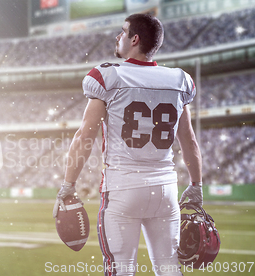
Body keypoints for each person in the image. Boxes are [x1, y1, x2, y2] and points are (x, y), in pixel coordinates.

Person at [52, 13, 203, 276]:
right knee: (168, 268)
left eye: (122, 32)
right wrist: (196, 184)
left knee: (120, 270)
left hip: (123, 189)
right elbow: (188, 140)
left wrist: (68, 185)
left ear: (134, 39)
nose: (117, 37)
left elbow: (84, 137)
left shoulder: (107, 75)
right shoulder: (179, 80)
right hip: (165, 190)